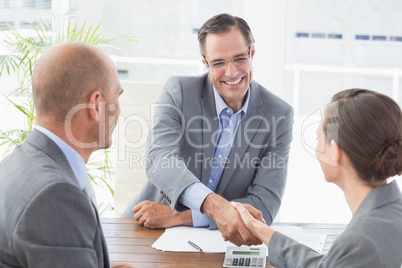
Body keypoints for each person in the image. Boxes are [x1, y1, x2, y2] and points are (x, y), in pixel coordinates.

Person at [121, 13, 294, 246]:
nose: (231, 72)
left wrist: (180, 217)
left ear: (252, 53)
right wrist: (215, 206)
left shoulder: (279, 115)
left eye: (239, 58)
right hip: (147, 230)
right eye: (219, 63)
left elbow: (264, 205)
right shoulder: (179, 91)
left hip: (221, 242)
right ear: (205, 62)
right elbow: (160, 159)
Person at [232, 89, 402, 267]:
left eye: (318, 138)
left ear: (335, 152)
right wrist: (262, 230)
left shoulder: (360, 240)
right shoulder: (392, 212)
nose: (317, 149)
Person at [0, 42, 132, 268]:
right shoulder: (54, 195)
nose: (119, 109)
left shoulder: (17, 162)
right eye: (116, 97)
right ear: (96, 105)